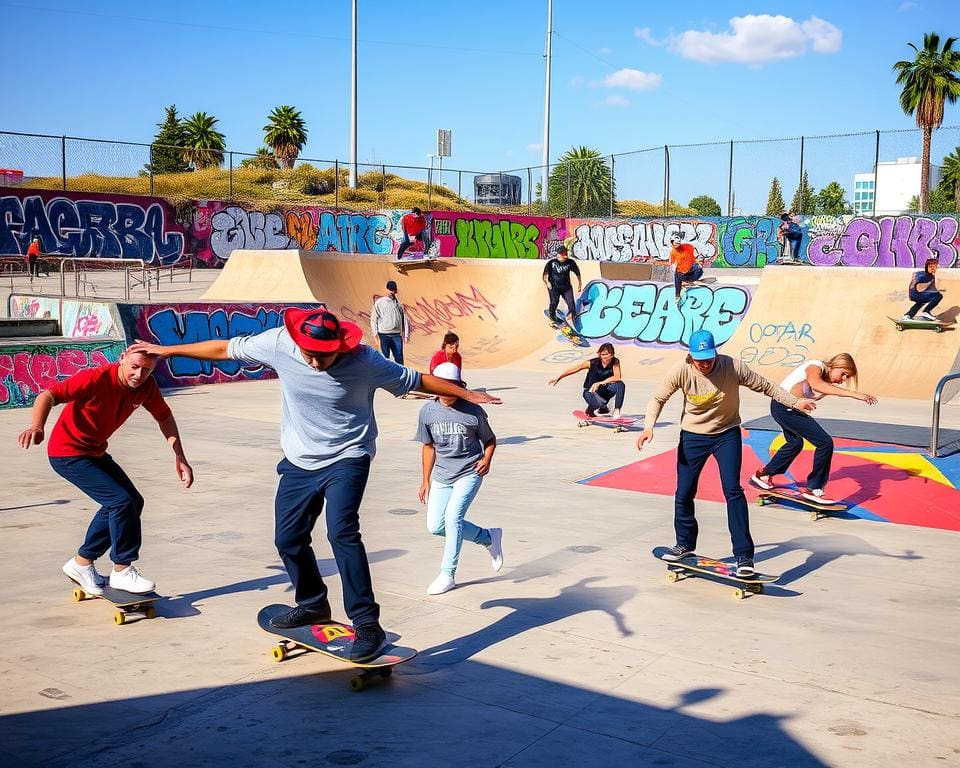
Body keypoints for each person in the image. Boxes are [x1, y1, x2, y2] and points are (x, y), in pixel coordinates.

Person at [130, 309, 500, 662]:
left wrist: (467, 395)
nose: (313, 363)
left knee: (342, 532)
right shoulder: (279, 343)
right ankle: (312, 604)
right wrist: (167, 350)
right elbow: (225, 348)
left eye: (322, 357)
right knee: (287, 538)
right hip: (299, 461)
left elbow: (417, 380)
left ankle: (368, 625)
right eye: (308, 355)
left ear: (340, 345)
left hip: (349, 457)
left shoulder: (366, 361)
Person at [637, 329, 816, 576]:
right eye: (700, 359)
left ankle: (744, 556)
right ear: (691, 356)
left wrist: (795, 403)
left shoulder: (733, 367)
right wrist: (649, 427)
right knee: (684, 492)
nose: (705, 364)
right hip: (693, 437)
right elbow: (658, 398)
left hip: (727, 435)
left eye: (709, 358)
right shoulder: (681, 370)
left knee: (732, 490)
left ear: (715, 353)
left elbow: (766, 386)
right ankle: (685, 545)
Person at [17, 348, 193, 596]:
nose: (138, 374)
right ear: (122, 358)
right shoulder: (96, 378)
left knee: (132, 502)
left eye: (146, 370)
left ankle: (81, 563)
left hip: (95, 452)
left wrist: (180, 456)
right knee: (120, 502)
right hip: (67, 454)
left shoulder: (147, 386)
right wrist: (37, 426)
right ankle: (122, 570)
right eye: (134, 366)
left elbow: (164, 417)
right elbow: (48, 395)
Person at [415, 362, 502, 595]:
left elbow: (490, 440)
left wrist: (487, 459)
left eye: (453, 385)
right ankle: (487, 537)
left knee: (453, 518)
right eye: (443, 385)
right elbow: (428, 446)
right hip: (442, 474)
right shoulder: (427, 411)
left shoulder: (473, 411)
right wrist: (425, 480)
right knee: (436, 526)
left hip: (469, 471)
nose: (448, 390)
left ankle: (447, 574)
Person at [750, 354, 878, 504]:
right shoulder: (815, 366)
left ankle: (763, 474)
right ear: (833, 366)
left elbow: (820, 386)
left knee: (795, 444)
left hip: (784, 408)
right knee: (825, 443)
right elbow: (816, 383)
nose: (843, 379)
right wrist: (855, 395)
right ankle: (814, 489)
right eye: (843, 374)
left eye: (846, 377)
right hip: (784, 407)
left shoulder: (824, 376)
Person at [548, 343, 626, 421]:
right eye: (602, 354)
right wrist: (559, 377)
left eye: (607, 355)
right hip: (590, 391)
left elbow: (617, 377)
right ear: (599, 354)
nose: (605, 357)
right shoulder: (591, 363)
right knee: (597, 403)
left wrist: (600, 383)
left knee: (620, 384)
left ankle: (616, 411)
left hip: (604, 391)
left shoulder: (615, 362)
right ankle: (591, 410)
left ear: (612, 355)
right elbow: (577, 368)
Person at [542, 245, 582, 328]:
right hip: (554, 287)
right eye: (564, 253)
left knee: (571, 304)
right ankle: (552, 317)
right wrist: (547, 282)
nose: (566, 254)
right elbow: (545, 275)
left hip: (566, 288)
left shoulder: (570, 262)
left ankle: (572, 320)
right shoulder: (551, 262)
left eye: (566, 253)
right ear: (559, 254)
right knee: (554, 302)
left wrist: (579, 284)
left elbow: (577, 273)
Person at [371, 280, 409, 365]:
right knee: (385, 358)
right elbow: (374, 319)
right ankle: (385, 376)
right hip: (384, 335)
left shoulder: (398, 304)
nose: (392, 292)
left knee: (399, 358)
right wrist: (375, 334)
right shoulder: (380, 302)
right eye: (390, 289)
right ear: (387, 289)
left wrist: (405, 334)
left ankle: (401, 376)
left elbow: (404, 319)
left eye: (393, 290)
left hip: (396, 335)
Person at [669, 232, 703, 305]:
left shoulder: (688, 246)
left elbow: (697, 254)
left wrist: (699, 259)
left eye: (678, 243)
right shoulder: (673, 253)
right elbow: (673, 266)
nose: (676, 245)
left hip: (694, 272)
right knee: (677, 274)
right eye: (675, 243)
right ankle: (677, 296)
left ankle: (688, 281)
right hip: (683, 275)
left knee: (698, 267)